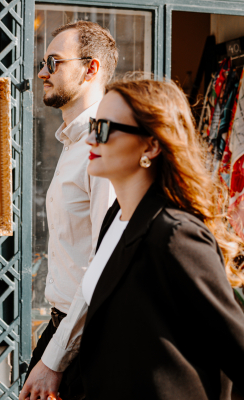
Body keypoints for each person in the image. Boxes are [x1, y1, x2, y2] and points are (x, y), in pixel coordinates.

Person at [80, 76, 244, 399]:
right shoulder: (116, 217)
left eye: (103, 128)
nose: (90, 139)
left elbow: (235, 347)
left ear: (151, 146)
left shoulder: (175, 234)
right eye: (92, 126)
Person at [19, 21, 118, 400]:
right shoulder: (74, 139)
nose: (42, 73)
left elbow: (104, 262)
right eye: (42, 63)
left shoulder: (105, 143)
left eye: (53, 62)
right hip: (65, 328)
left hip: (87, 339)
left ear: (91, 68)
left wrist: (55, 360)